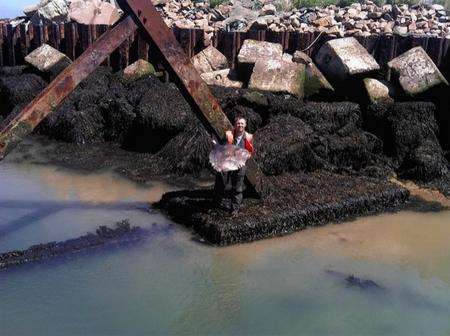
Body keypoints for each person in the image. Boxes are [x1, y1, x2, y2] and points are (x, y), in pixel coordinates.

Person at [214, 116, 254, 215]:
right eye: (238, 123)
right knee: (221, 184)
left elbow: (250, 153)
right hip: (227, 163)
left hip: (239, 165)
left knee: (237, 188)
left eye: (242, 123)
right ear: (235, 125)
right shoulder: (228, 135)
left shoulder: (249, 137)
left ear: (245, 125)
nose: (240, 125)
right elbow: (220, 147)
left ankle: (234, 210)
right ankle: (217, 203)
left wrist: (243, 160)